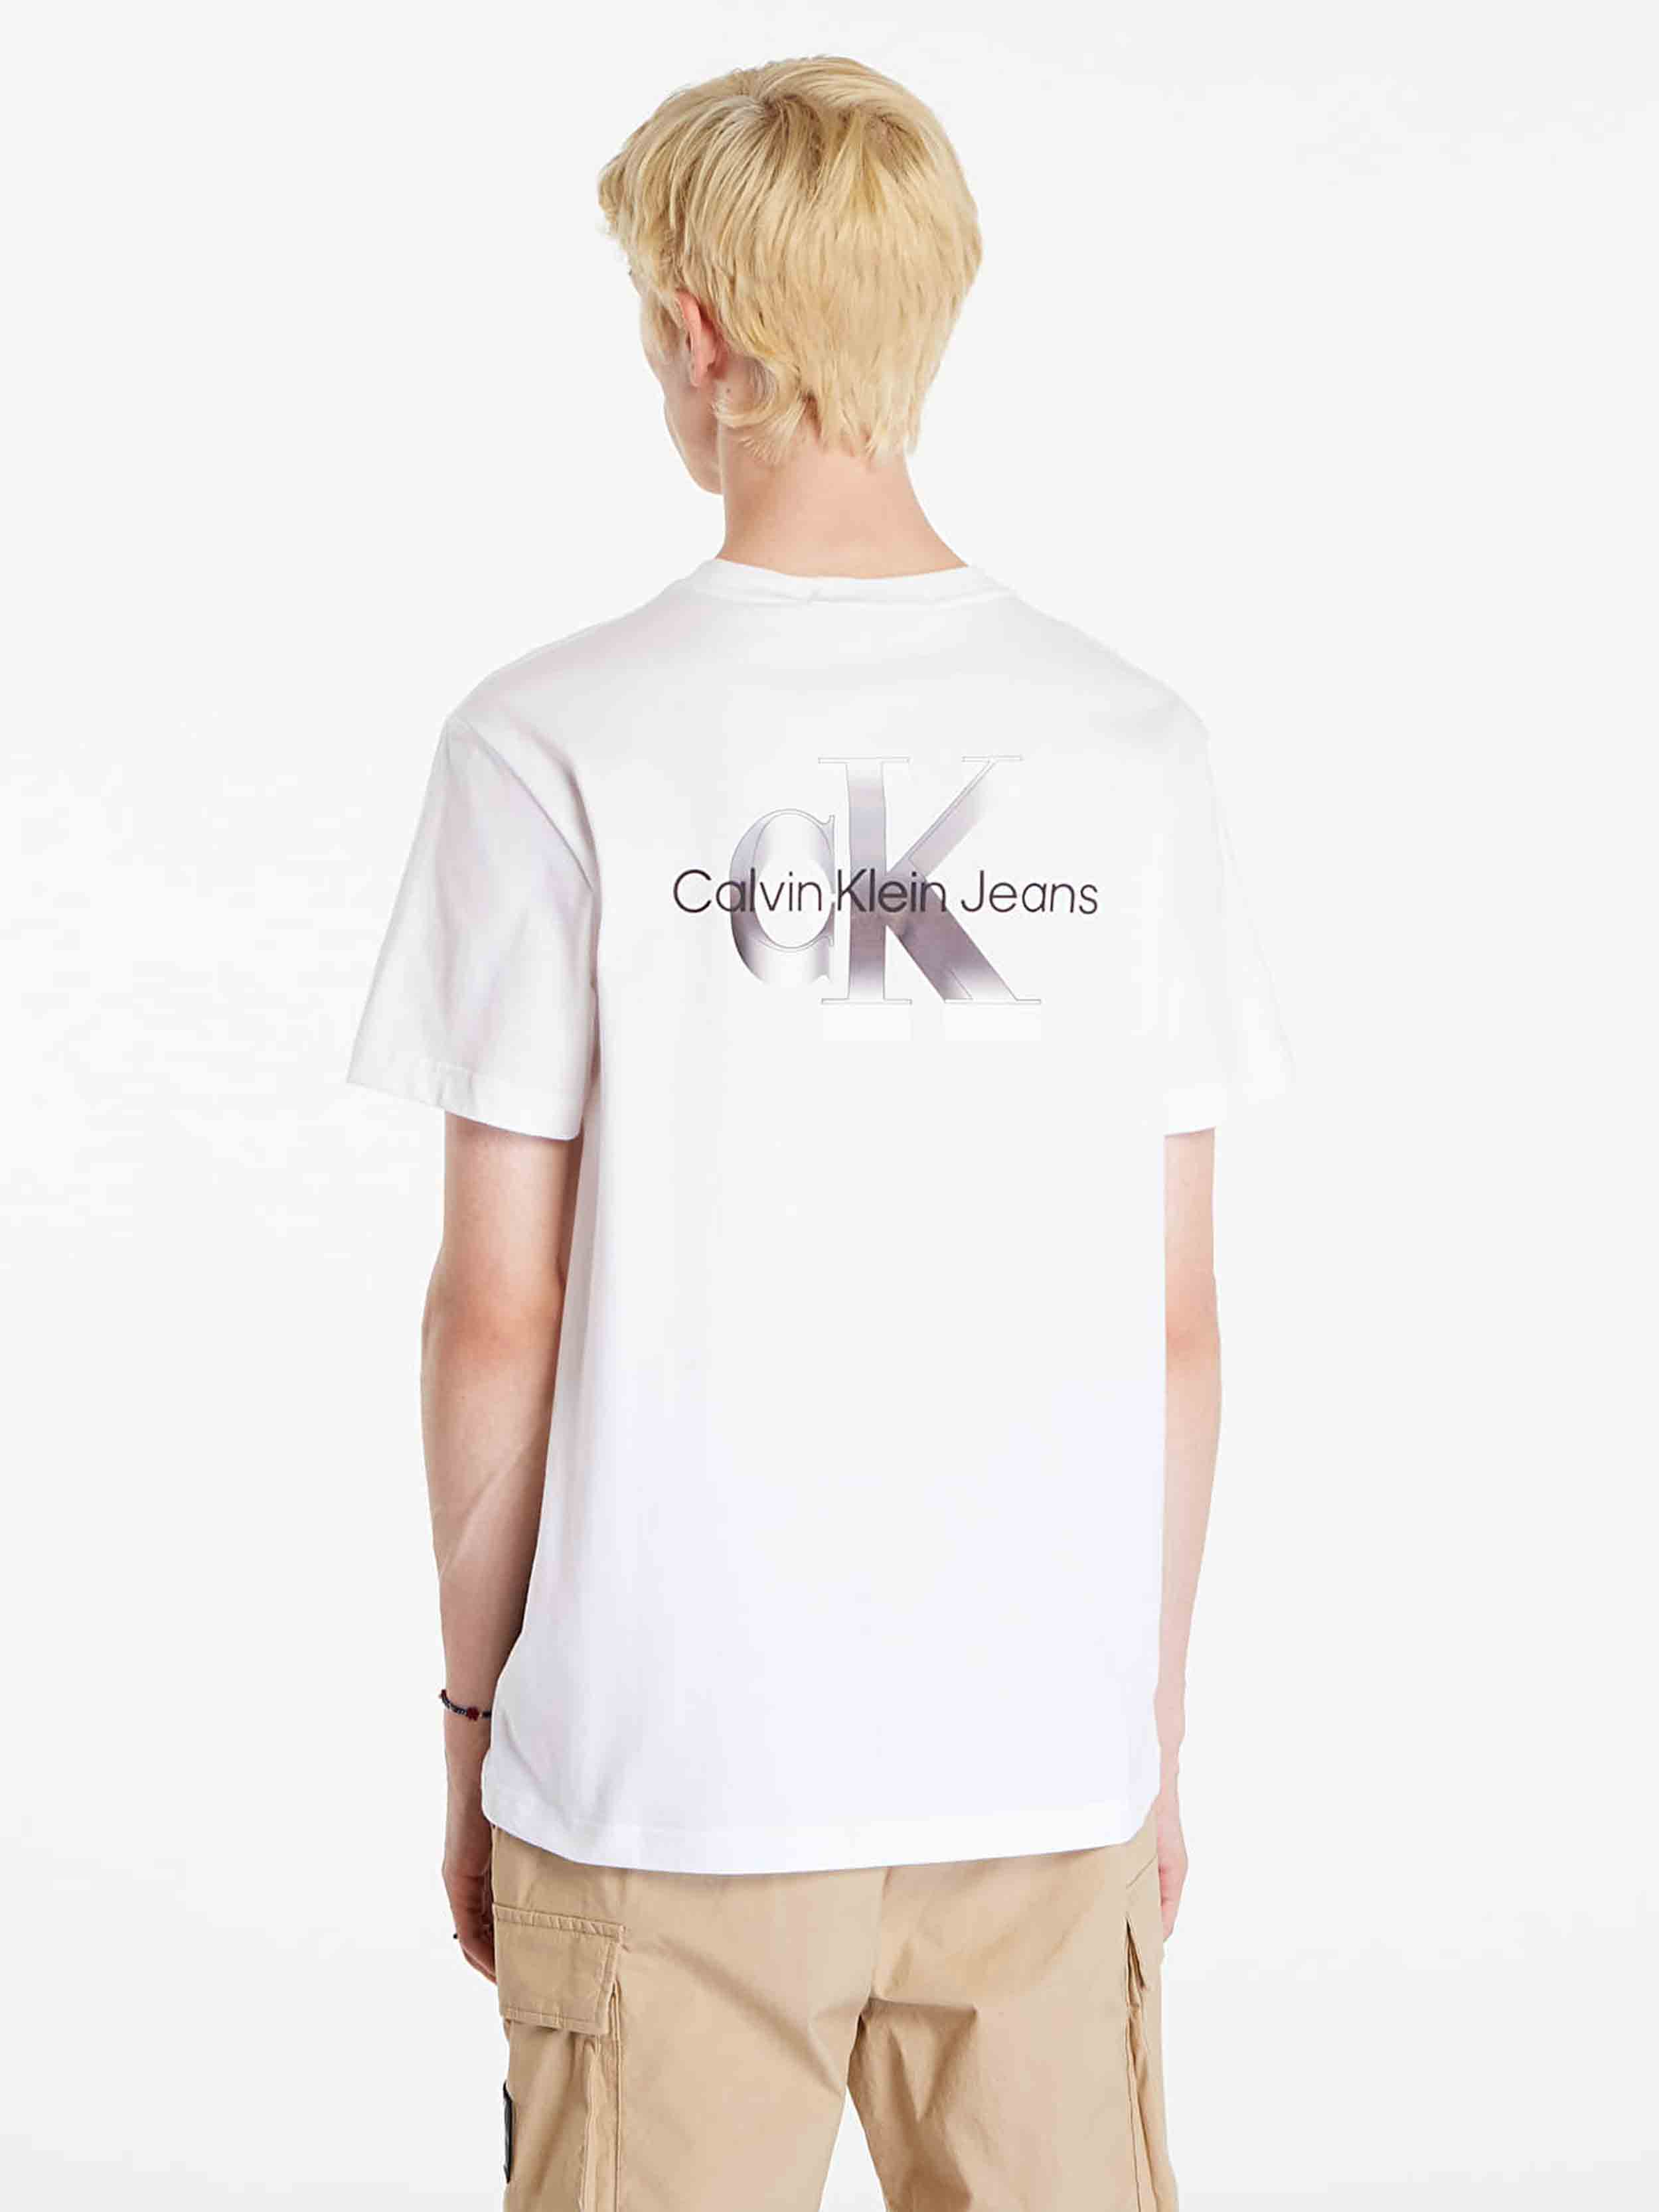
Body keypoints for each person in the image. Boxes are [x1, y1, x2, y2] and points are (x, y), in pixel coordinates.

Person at [349, 53, 1289, 2212]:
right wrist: (1142, 1733)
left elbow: (498, 1314)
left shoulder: (549, 741)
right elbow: (1175, 1322)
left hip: (664, 1773)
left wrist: (478, 1730)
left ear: (697, 332)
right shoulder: (1129, 749)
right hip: (1035, 1769)